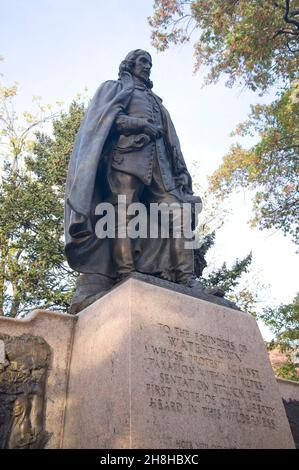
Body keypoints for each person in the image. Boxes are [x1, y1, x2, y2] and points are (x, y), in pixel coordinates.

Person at [65, 49, 201, 312]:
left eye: (150, 63)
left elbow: (172, 141)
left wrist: (181, 170)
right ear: (129, 64)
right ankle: (125, 273)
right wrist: (140, 125)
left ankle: (187, 278)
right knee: (122, 215)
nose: (147, 67)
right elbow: (106, 120)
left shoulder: (157, 102)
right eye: (142, 62)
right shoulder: (115, 88)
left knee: (179, 213)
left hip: (160, 166)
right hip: (126, 159)